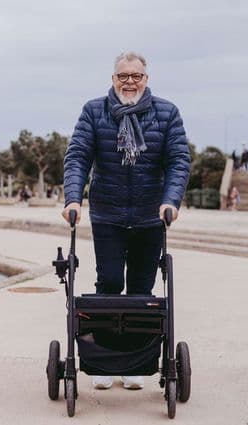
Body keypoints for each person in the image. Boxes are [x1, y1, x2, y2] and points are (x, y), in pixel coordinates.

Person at [62, 51, 191, 390]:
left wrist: (170, 201)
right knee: (108, 285)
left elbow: (179, 160)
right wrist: (73, 198)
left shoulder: (167, 113)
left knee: (141, 290)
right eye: (123, 76)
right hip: (107, 214)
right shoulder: (94, 111)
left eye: (136, 76)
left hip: (151, 216)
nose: (129, 81)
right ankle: (103, 360)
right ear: (113, 78)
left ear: (146, 79)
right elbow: (78, 156)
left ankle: (136, 362)